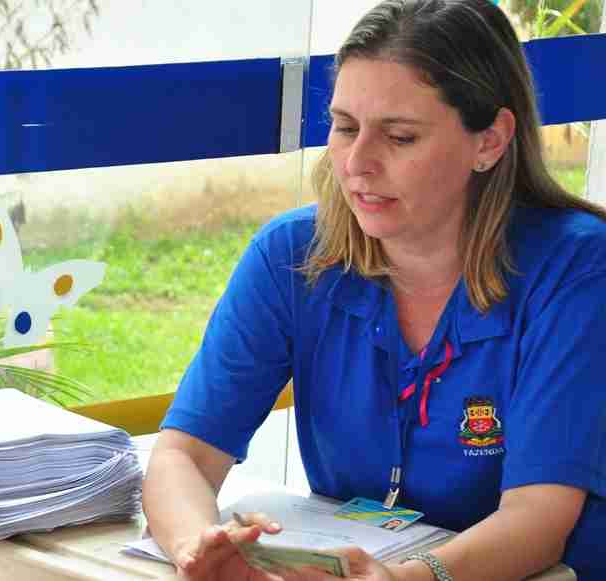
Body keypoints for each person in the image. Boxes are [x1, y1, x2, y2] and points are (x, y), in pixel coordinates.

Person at [143, 1, 606, 580]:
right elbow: (183, 454)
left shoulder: (577, 266)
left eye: (401, 137)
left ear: (489, 141)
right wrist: (200, 549)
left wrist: (407, 578)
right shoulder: (292, 255)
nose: (358, 162)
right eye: (344, 127)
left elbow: (538, 520)